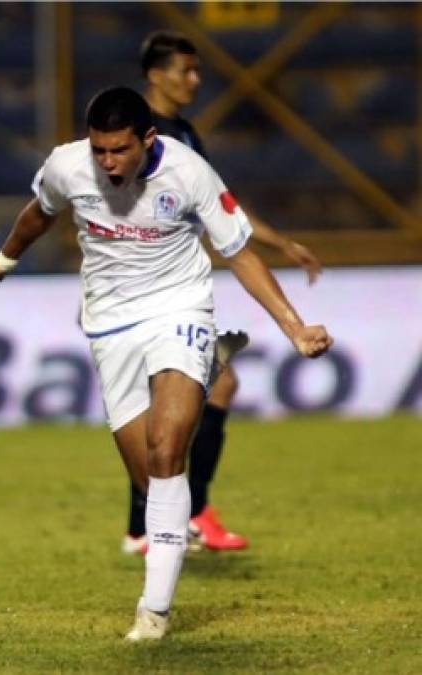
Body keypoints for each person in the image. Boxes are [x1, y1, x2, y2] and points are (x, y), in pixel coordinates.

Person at [0, 86, 333, 640]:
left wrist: (295, 327)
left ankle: (153, 612)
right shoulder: (68, 166)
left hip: (179, 309)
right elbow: (38, 213)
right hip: (110, 325)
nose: (108, 163)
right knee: (150, 477)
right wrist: (4, 259)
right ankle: (177, 522)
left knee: (167, 451)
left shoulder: (189, 173)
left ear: (147, 139)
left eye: (119, 150)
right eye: (99, 151)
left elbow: (238, 253)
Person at [122, 31, 324, 556]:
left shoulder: (185, 135)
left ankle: (159, 522)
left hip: (172, 288)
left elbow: (221, 206)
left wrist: (280, 241)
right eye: (185, 70)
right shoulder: (134, 135)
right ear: (155, 74)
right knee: (203, 389)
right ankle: (165, 521)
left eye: (195, 70)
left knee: (201, 391)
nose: (194, 80)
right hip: (137, 287)